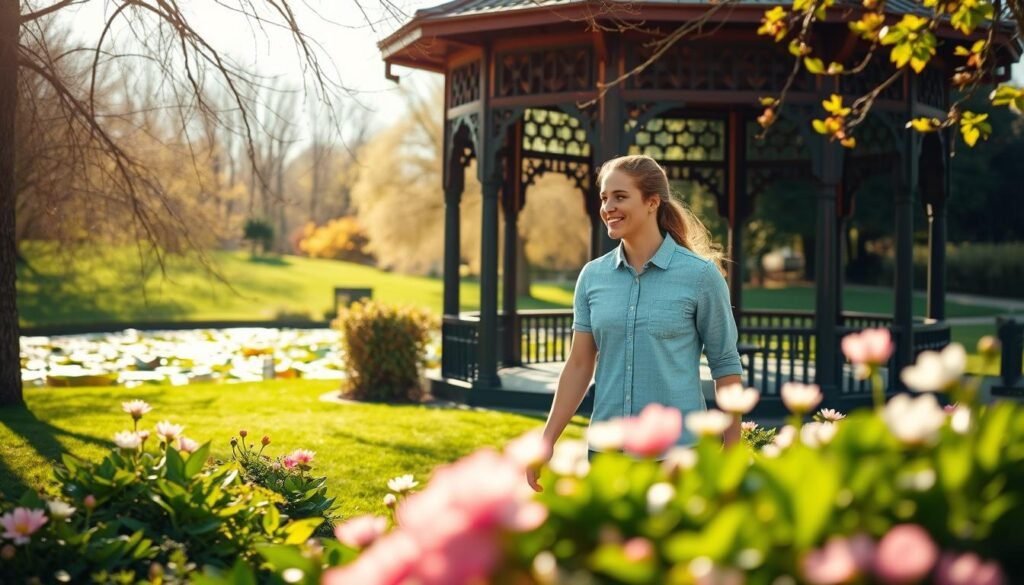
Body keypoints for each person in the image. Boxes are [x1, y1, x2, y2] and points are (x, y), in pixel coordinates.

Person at [527, 154, 744, 492]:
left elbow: (726, 369)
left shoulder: (700, 276)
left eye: (620, 196)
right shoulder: (592, 276)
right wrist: (547, 439)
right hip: (607, 453)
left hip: (678, 456)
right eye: (603, 198)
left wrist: (731, 457)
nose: (608, 207)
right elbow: (580, 364)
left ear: (652, 202)